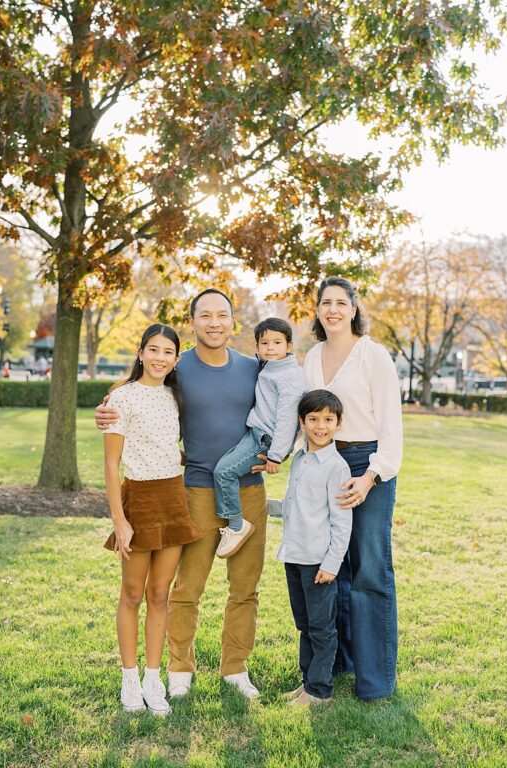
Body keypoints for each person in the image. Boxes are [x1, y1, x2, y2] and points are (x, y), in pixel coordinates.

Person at [97, 289, 266, 700]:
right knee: (185, 588)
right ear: (193, 322)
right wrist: (105, 409)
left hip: (248, 489)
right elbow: (136, 396)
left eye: (222, 315)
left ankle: (235, 669)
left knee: (245, 587)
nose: (214, 322)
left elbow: (286, 407)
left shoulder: (253, 368)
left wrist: (274, 454)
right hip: (195, 489)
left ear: (232, 320)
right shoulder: (178, 368)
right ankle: (177, 669)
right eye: (205, 315)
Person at [303, 276, 402, 701]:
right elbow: (303, 415)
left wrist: (370, 476)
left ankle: (375, 681)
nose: (333, 310)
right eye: (326, 302)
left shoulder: (373, 356)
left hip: (367, 463)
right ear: (318, 309)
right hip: (325, 462)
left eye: (341, 302)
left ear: (354, 309)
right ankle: (339, 663)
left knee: (369, 570)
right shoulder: (311, 356)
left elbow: (392, 427)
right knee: (332, 567)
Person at [102, 323, 203, 715]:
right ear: (141, 352)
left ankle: (152, 677)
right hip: (138, 501)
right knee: (132, 594)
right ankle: (129, 679)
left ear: (176, 359)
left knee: (161, 594)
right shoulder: (119, 398)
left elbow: (168, 446)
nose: (160, 358)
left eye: (168, 352)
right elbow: (111, 464)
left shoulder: (174, 397)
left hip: (173, 498)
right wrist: (119, 520)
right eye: (154, 350)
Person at [277, 390, 352, 707]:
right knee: (305, 625)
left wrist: (332, 564)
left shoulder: (336, 467)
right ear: (302, 422)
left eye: (328, 420)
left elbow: (342, 522)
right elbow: (293, 505)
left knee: (321, 629)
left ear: (338, 423)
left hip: (318, 562)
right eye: (313, 419)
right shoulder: (300, 459)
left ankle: (320, 690)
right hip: (293, 556)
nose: (320, 426)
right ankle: (307, 682)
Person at [213, 317, 306, 558]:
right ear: (257, 347)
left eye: (277, 342)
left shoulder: (289, 376)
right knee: (225, 468)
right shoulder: (270, 367)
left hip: (264, 440)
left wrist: (275, 455)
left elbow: (288, 419)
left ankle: (236, 525)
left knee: (224, 472)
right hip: (255, 432)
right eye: (264, 343)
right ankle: (275, 509)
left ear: (289, 346)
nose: (270, 348)